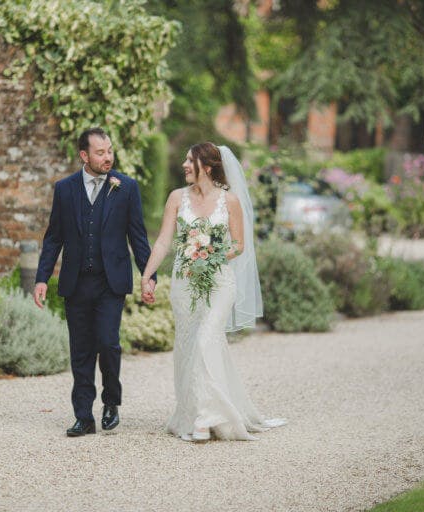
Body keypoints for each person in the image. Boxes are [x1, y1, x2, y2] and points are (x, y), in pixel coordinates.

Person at [141, 142, 286, 442]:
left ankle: (206, 419)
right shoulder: (176, 198)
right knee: (189, 345)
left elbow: (239, 245)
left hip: (219, 282)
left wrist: (210, 254)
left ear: (206, 167)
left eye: (189, 160)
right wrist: (146, 275)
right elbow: (163, 242)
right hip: (184, 283)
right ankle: (194, 411)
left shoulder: (229, 201)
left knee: (206, 339)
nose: (183, 164)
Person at [34, 127, 156, 437]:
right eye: (100, 152)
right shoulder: (65, 189)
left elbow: (138, 237)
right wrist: (42, 278)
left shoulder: (126, 187)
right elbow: (54, 238)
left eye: (110, 151)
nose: (107, 157)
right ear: (84, 156)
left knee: (108, 343)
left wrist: (149, 275)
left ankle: (111, 402)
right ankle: (83, 416)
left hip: (109, 283)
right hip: (76, 282)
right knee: (81, 351)